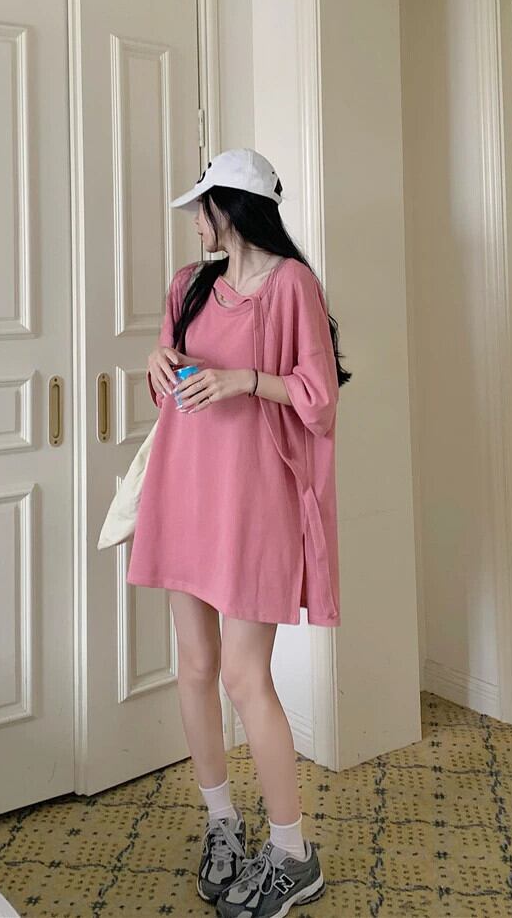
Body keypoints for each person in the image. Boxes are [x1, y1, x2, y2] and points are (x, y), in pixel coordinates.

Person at [127, 148, 351, 917]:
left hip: (254, 505)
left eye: (202, 205)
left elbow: (319, 398)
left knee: (244, 677)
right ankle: (222, 821)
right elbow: (170, 387)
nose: (195, 219)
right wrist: (158, 361)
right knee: (194, 666)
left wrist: (245, 381)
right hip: (183, 492)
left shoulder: (292, 286)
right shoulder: (188, 286)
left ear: (231, 206)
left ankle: (293, 853)